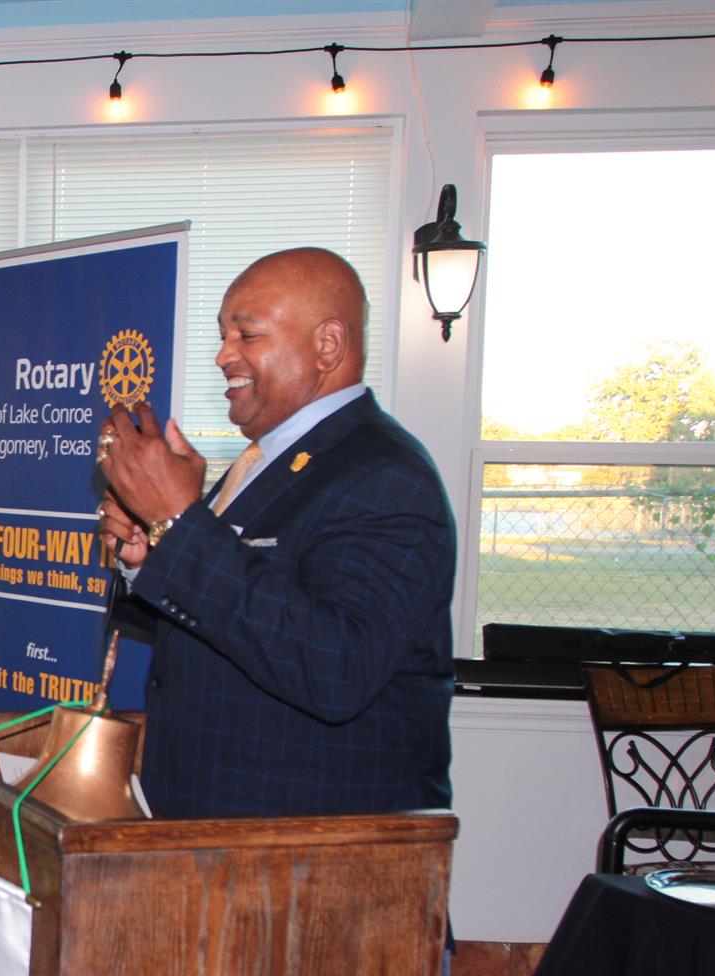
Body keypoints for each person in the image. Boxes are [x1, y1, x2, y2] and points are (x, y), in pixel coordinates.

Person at [97, 247, 456, 820]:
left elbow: (337, 669)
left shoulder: (384, 474)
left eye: (247, 334)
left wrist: (180, 520)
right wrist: (146, 558)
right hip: (214, 821)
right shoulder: (266, 462)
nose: (223, 355)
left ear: (327, 345)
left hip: (309, 840)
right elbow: (221, 619)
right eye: (223, 336)